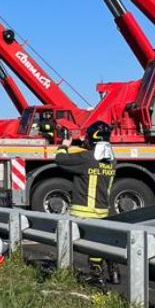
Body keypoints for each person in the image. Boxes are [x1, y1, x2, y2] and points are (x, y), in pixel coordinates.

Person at [54, 121, 117, 284]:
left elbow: (60, 160)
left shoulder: (86, 158)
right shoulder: (112, 161)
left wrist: (64, 145)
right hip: (102, 211)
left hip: (83, 211)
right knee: (97, 241)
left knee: (65, 236)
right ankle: (112, 266)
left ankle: (96, 275)